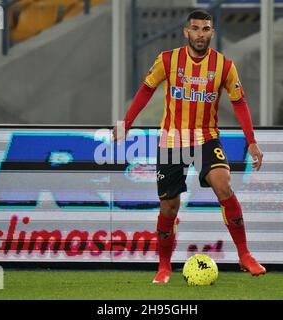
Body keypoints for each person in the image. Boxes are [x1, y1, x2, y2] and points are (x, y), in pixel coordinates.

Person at [113, 9, 266, 284]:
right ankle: (163, 266)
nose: (200, 34)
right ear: (186, 31)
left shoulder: (225, 66)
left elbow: (239, 102)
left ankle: (245, 255)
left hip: (206, 137)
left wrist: (251, 141)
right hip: (172, 140)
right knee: (169, 208)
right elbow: (146, 89)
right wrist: (126, 122)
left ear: (212, 33)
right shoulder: (168, 60)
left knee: (224, 185)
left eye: (205, 29)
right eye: (195, 29)